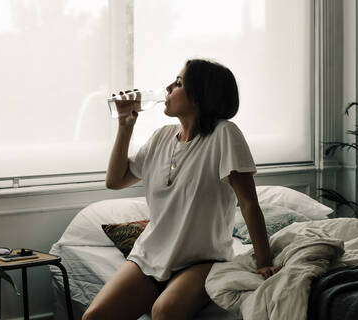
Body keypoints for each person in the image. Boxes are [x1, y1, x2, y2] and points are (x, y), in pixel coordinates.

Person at [82, 59, 281, 320]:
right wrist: (124, 126)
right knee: (94, 317)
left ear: (199, 96)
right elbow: (115, 181)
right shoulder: (161, 137)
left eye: (178, 83)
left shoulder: (225, 135)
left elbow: (248, 203)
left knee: (164, 312)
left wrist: (264, 261)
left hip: (201, 261)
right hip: (149, 256)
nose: (167, 88)